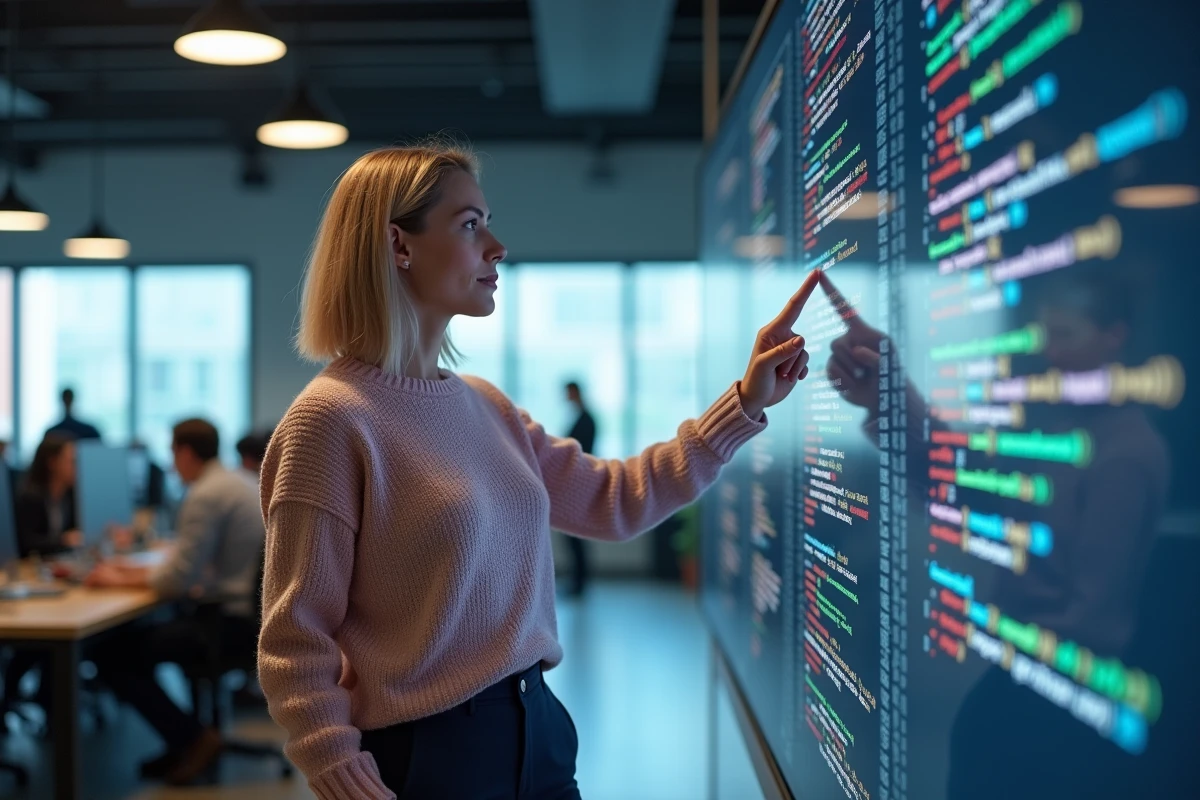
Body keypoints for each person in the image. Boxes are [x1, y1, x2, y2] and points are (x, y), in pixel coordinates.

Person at [256, 142, 817, 799]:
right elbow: (294, 637)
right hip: (430, 754)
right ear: (398, 245)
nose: (496, 246)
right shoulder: (328, 422)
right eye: (470, 225)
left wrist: (744, 402)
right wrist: (332, 762)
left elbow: (615, 500)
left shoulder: (485, 405)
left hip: (538, 728)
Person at [86, 418, 266, 785]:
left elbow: (176, 580)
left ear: (184, 452)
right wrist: (131, 572)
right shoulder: (238, 481)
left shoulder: (206, 493)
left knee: (111, 654)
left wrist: (118, 576)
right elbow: (193, 569)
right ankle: (183, 738)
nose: (171, 463)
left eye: (172, 452)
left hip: (226, 624)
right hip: (249, 618)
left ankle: (192, 738)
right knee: (133, 640)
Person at [14, 434, 83, 557]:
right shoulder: (30, 498)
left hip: (60, 564)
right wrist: (63, 540)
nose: (78, 468)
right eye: (72, 462)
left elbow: (78, 532)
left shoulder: (71, 495)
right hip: (32, 567)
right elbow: (26, 543)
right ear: (52, 462)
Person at [562, 381, 596, 597]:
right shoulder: (582, 417)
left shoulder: (586, 419)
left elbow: (581, 452)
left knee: (575, 534)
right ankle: (578, 582)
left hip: (578, 482)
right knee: (573, 534)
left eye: (568, 393)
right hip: (576, 481)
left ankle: (580, 583)